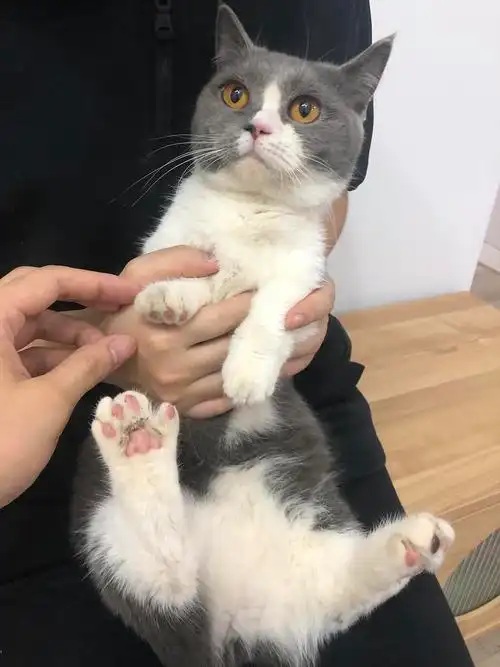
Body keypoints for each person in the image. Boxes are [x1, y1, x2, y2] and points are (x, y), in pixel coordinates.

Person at [0, 1, 474, 666]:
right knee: (118, 552)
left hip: (278, 412)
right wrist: (121, 343)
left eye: (301, 110)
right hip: (38, 404)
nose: (259, 123)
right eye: (237, 96)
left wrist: (281, 309)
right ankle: (170, 554)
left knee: (313, 557)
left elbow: (326, 206)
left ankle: (332, 581)